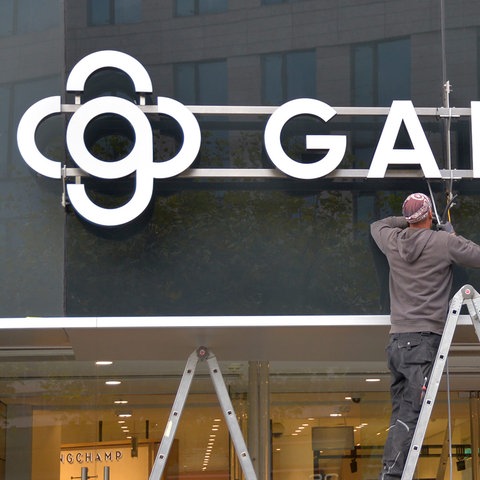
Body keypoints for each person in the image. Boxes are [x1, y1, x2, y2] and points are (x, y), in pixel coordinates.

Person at [370, 192, 480, 480]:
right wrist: (449, 232)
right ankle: (391, 476)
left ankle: (392, 471)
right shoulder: (443, 242)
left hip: (397, 343)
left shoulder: (393, 241)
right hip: (423, 341)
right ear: (430, 214)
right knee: (411, 415)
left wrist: (407, 222)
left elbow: (377, 225)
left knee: (402, 413)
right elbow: (476, 256)